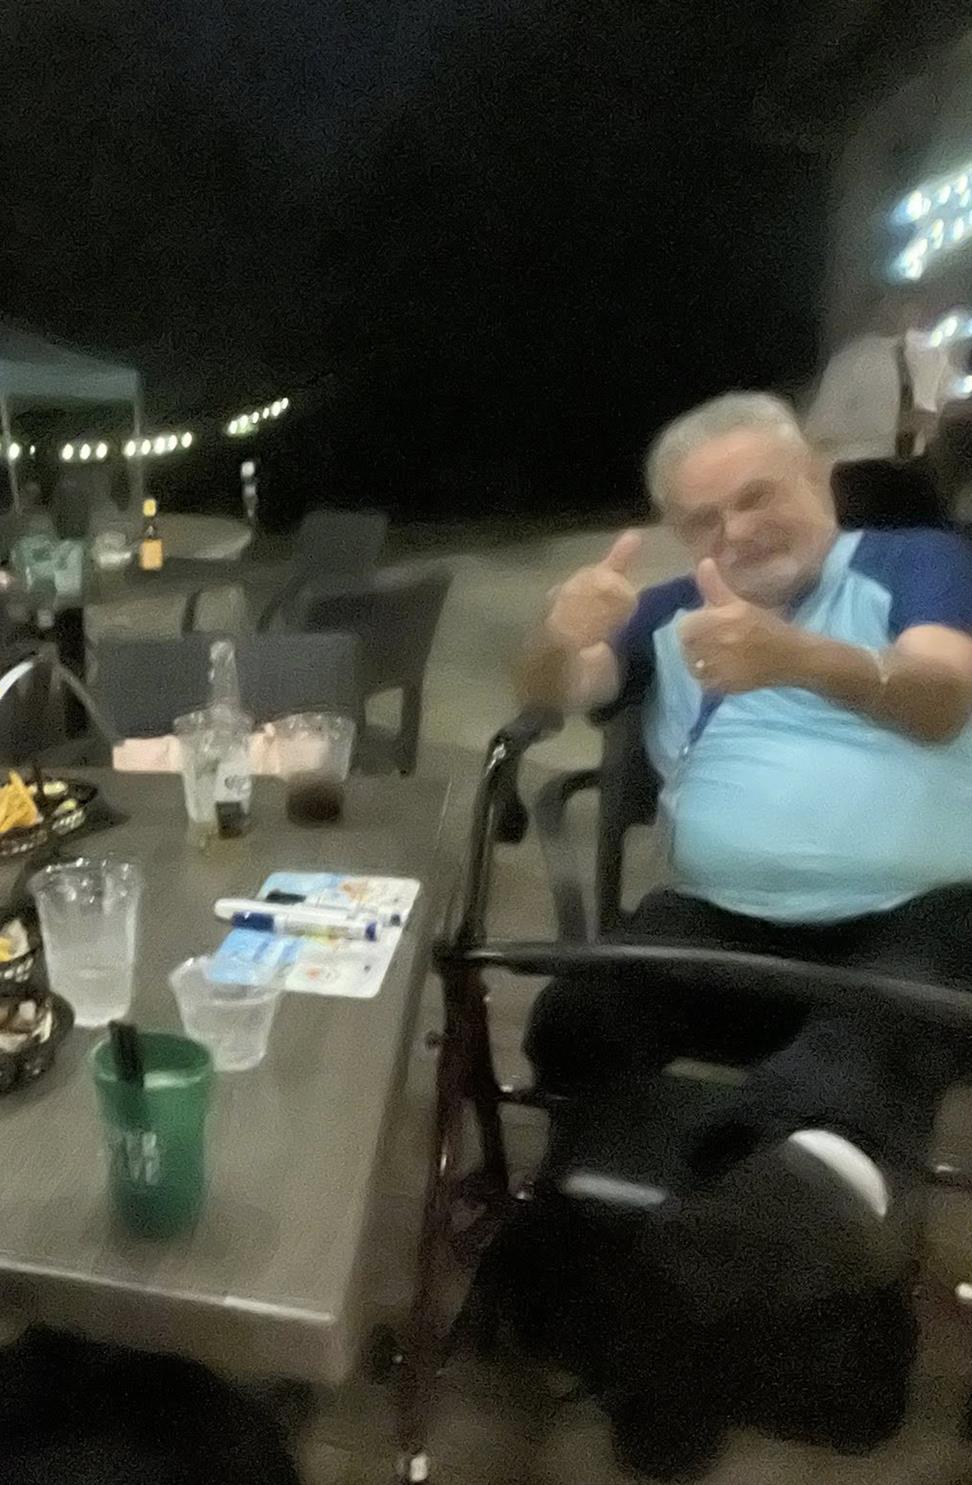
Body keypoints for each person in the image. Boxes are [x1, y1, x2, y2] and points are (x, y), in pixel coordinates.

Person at [516, 390, 972, 1466]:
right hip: (723, 920)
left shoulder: (914, 562)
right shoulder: (673, 608)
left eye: (758, 496)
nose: (736, 533)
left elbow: (942, 697)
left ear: (817, 476)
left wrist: (795, 657)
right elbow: (555, 691)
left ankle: (648, 1313)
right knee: (578, 1018)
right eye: (703, 519)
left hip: (917, 915)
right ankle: (694, 1287)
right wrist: (556, 638)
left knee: (868, 1045)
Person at [802, 286, 964, 526]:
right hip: (864, 474)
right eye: (896, 304)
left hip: (919, 470)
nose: (905, 312)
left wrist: (936, 421)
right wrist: (887, 431)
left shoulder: (932, 355)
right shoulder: (851, 361)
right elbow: (819, 431)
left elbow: (949, 401)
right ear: (880, 309)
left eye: (911, 304)